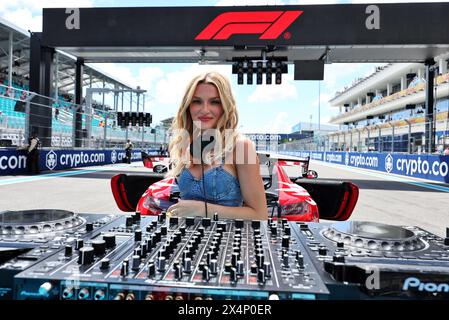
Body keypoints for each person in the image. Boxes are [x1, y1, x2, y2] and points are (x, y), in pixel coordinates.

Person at [166, 72, 267, 221]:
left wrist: (201, 210)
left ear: (225, 106)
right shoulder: (184, 144)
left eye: (215, 102)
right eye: (197, 101)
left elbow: (260, 215)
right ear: (188, 106)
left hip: (229, 240)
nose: (205, 109)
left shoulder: (241, 147)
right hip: (185, 239)